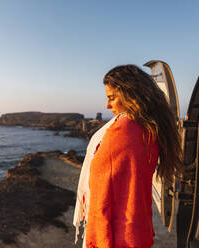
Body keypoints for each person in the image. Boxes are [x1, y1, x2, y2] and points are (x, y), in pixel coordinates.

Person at [73, 64, 183, 248]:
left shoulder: (122, 131)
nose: (107, 105)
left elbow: (101, 197)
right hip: (138, 230)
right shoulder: (151, 130)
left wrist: (96, 242)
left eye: (112, 98)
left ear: (131, 95)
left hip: (117, 237)